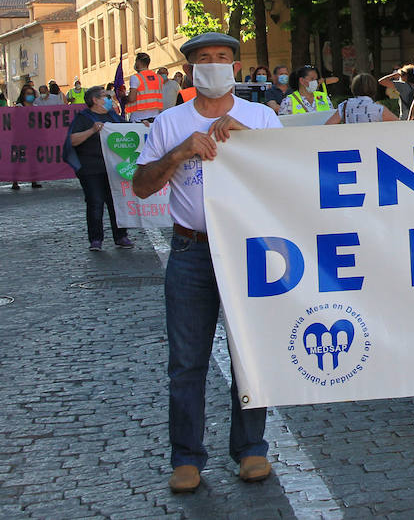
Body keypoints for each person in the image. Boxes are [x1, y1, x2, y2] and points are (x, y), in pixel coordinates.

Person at [132, 31, 283, 493]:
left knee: (249, 354)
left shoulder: (260, 116)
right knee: (186, 359)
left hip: (247, 249)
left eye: (222, 58)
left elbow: (285, 179)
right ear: (193, 70)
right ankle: (186, 457)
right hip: (190, 249)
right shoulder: (169, 122)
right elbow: (141, 186)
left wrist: (247, 139)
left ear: (235, 67)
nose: (214, 65)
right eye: (204, 59)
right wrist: (179, 153)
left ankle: (251, 448)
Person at [67, 87, 132, 251]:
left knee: (115, 201)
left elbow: (129, 129)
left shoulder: (112, 116)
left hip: (113, 167)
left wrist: (143, 126)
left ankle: (121, 236)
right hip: (91, 168)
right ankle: (96, 239)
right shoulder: (83, 118)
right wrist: (92, 130)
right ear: (95, 100)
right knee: (95, 202)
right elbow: (72, 140)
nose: (109, 98)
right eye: (105, 96)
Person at [328, 72, 399, 124]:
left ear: (353, 88)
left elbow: (328, 125)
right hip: (373, 142)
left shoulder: (344, 106)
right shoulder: (379, 109)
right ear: (373, 88)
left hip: (350, 142)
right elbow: (399, 124)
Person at [12, 87, 45, 191]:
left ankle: (34, 180)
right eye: (27, 93)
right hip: (20, 137)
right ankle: (15, 182)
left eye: (31, 93)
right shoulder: (18, 107)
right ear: (23, 95)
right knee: (19, 160)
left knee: (33, 160)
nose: (30, 95)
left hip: (33, 137)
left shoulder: (36, 107)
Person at [127, 52, 164, 123]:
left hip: (138, 117)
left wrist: (124, 97)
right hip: (155, 116)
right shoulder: (159, 78)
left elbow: (132, 98)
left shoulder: (136, 78)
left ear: (139, 62)